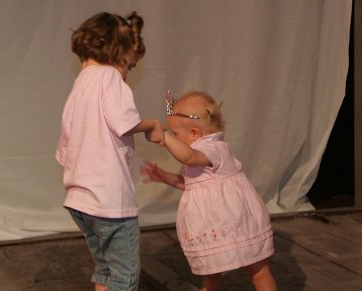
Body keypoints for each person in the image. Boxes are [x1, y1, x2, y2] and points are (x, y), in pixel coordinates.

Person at [55, 11, 164, 291]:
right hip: (110, 203)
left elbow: (65, 147)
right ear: (117, 52)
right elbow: (124, 122)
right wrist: (151, 123)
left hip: (80, 202)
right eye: (129, 65)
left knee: (105, 268)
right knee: (124, 277)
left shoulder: (79, 86)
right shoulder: (110, 79)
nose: (127, 74)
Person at [140, 91, 277, 291]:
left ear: (196, 133)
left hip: (236, 223)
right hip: (218, 224)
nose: (172, 138)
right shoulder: (200, 152)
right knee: (212, 275)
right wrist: (163, 176)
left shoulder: (215, 149)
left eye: (175, 133)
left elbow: (187, 157)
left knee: (258, 272)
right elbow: (193, 184)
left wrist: (165, 137)